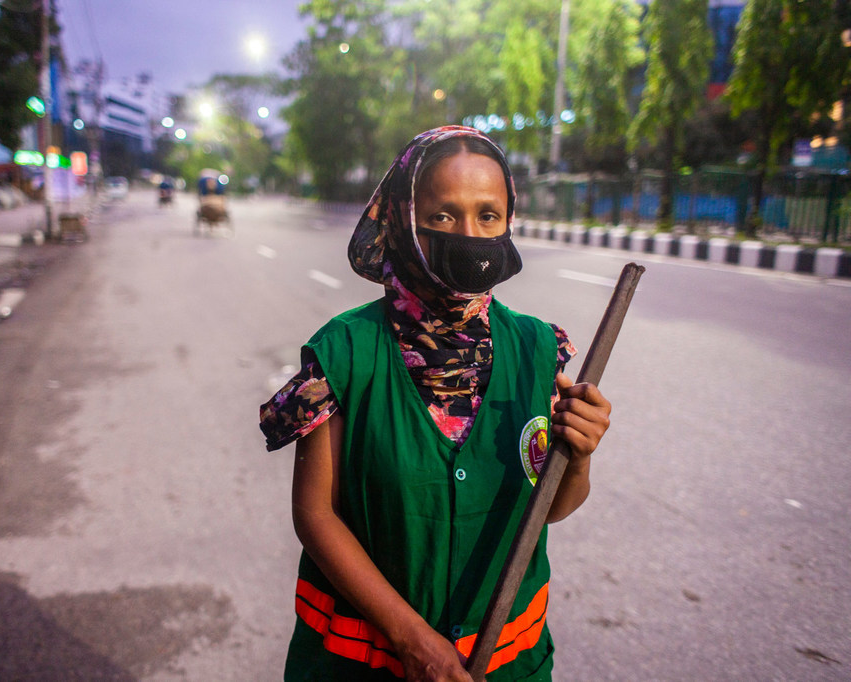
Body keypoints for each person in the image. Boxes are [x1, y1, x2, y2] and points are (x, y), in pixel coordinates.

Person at [259, 126, 612, 681]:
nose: (470, 236)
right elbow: (315, 514)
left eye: (488, 216)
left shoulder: (540, 349)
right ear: (403, 220)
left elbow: (556, 505)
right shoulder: (345, 352)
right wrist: (411, 639)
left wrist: (582, 452)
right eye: (444, 216)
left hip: (509, 667)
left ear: (508, 220)